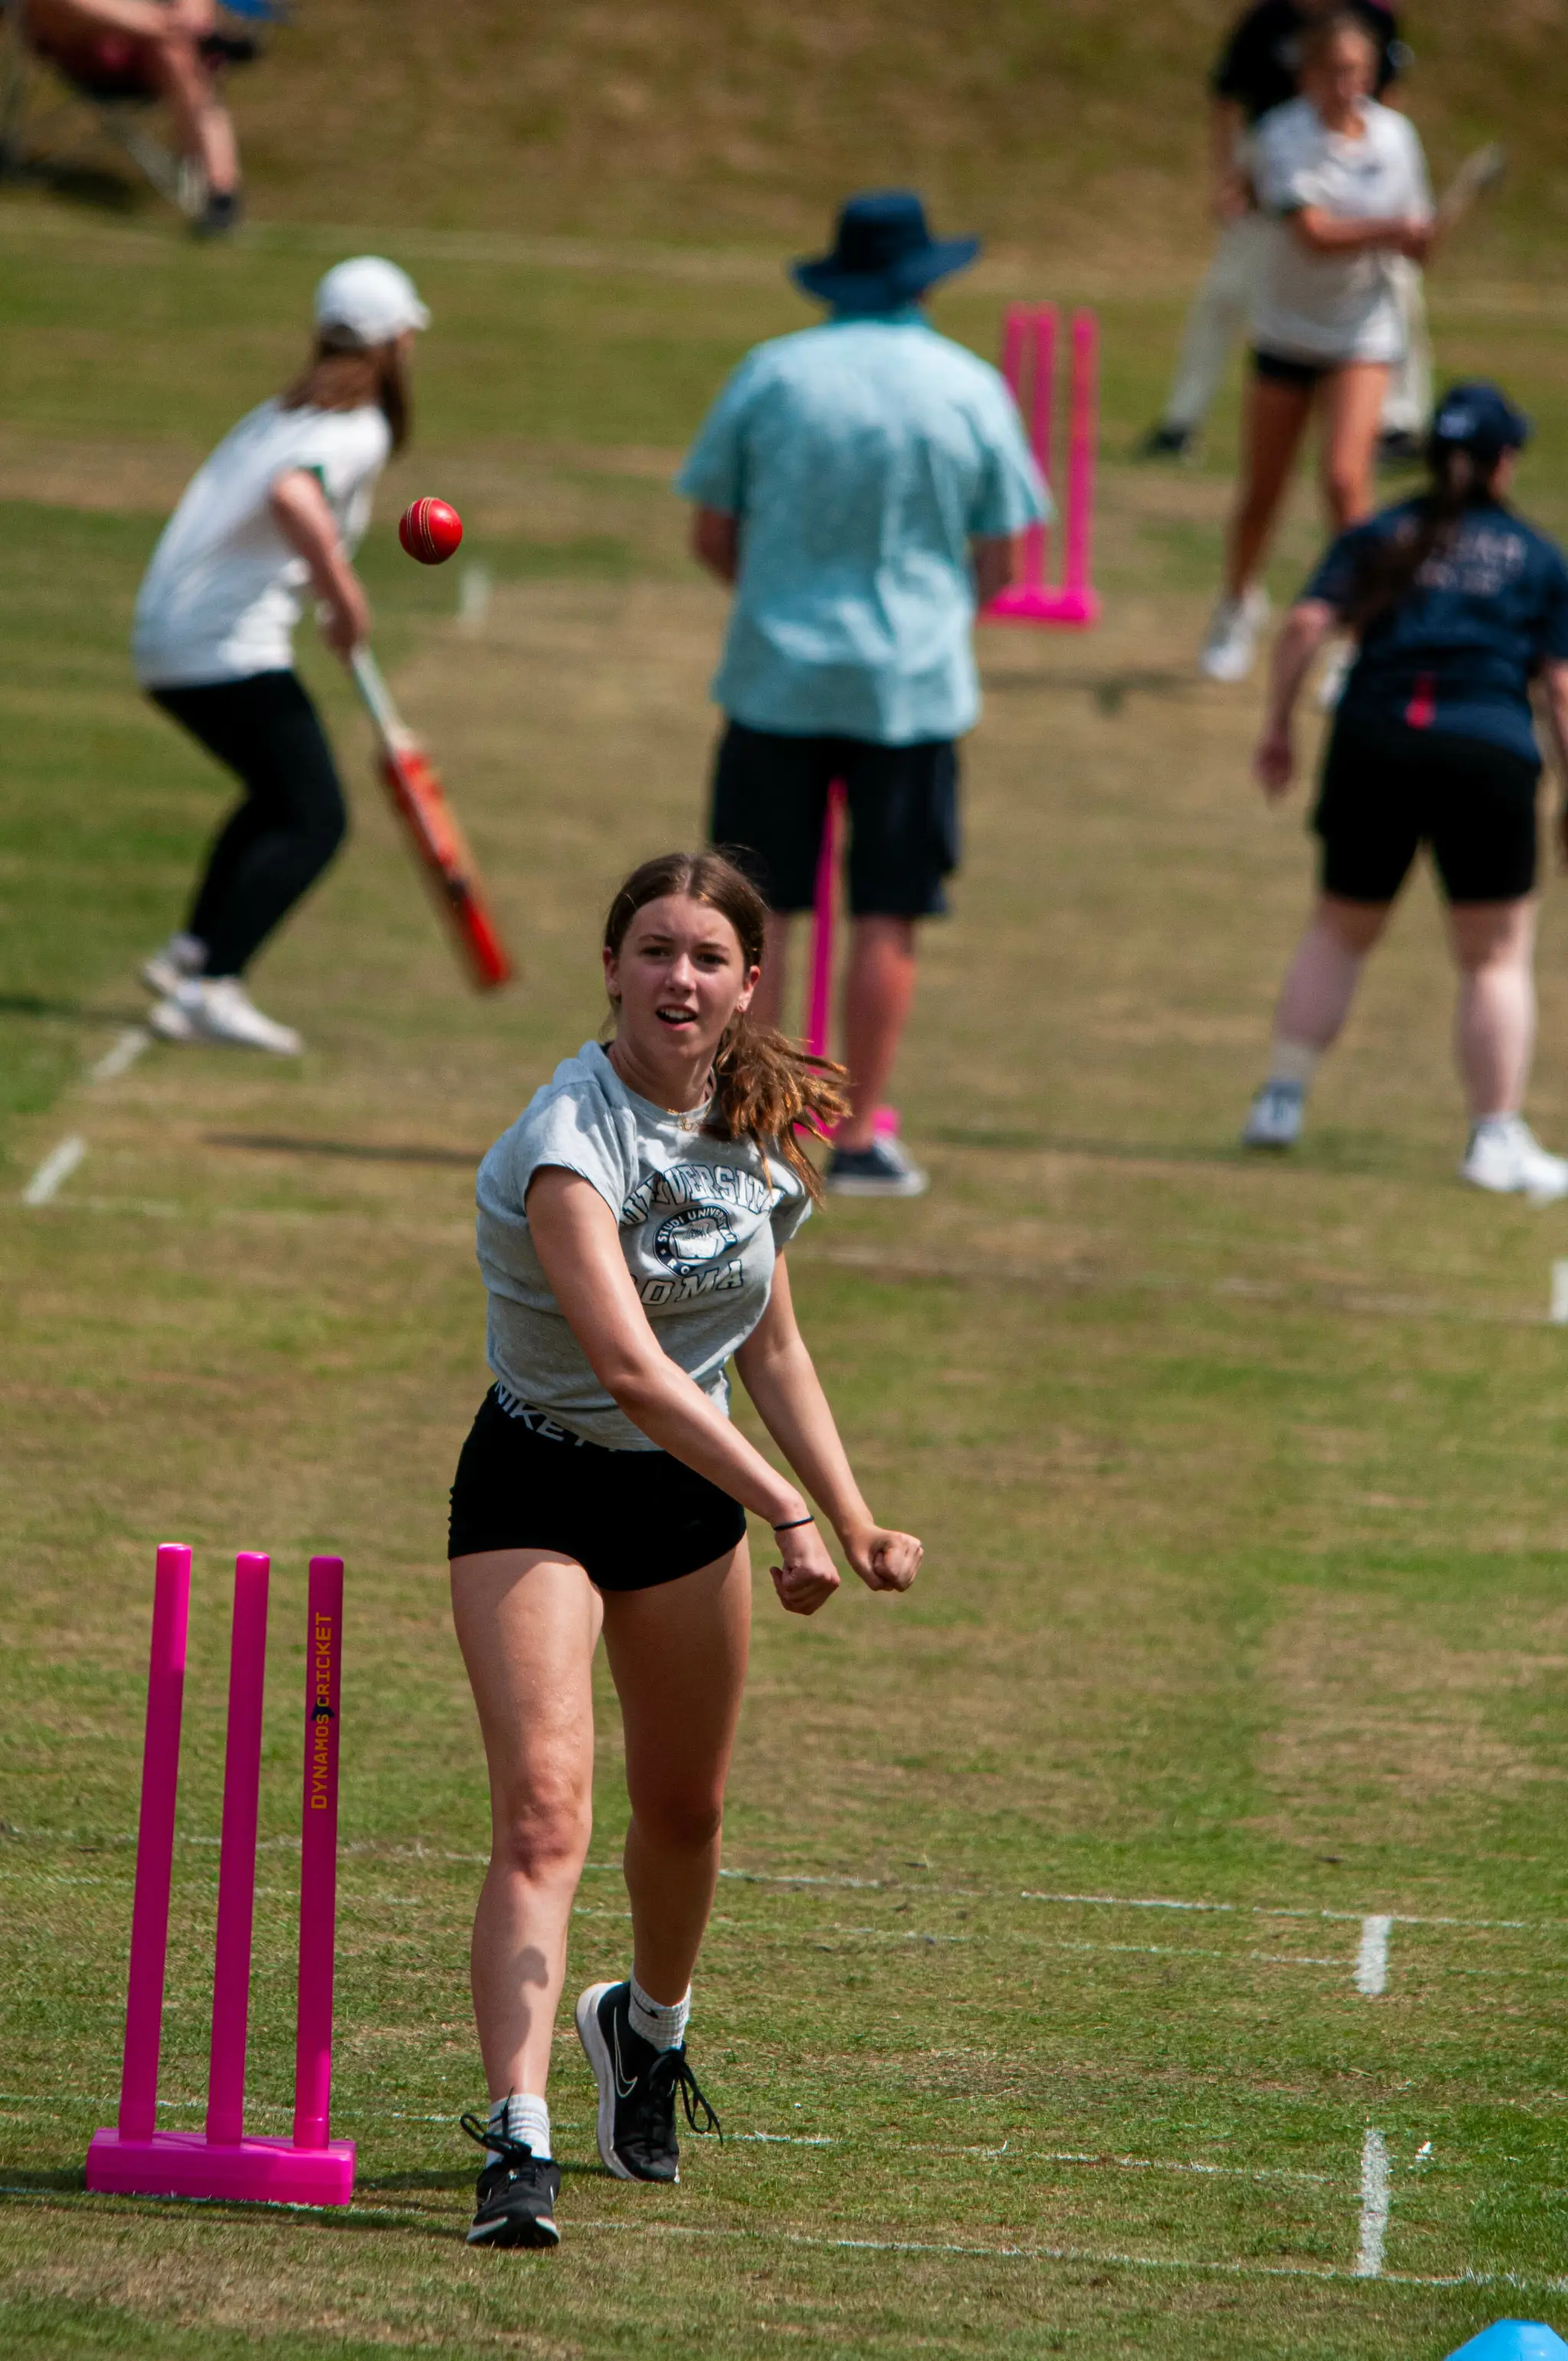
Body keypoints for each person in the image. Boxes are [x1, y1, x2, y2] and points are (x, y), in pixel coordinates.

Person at [447, 850, 923, 2250]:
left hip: (685, 1501)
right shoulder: (565, 1135)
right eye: (652, 948)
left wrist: (851, 1509)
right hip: (539, 1479)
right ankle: (517, 2134)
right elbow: (632, 1366)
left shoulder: (756, 1121)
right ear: (609, 966)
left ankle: (644, 2030)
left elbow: (768, 1340)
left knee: (686, 1813)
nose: (678, 976)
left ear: (745, 982)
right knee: (544, 1810)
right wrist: (782, 1512)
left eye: (706, 956)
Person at [677, 189, 1047, 1199]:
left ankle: (751, 1129)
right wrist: (930, 618)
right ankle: (860, 1138)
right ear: (926, 279)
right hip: (912, 686)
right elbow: (1006, 554)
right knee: (889, 913)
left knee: (758, 918)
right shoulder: (967, 387)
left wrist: (780, 603)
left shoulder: (773, 374)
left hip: (777, 673)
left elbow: (713, 533)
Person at [1241, 384, 1568, 1197]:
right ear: (1503, 462)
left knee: (1339, 929)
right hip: (1485, 748)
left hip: (1372, 739)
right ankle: (1492, 1136)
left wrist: (1278, 725)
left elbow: (1304, 626)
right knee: (1492, 956)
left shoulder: (1376, 533)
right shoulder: (1533, 555)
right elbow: (1558, 688)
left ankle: (1280, 1100)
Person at [131, 256, 429, 1053]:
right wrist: (341, 593)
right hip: (218, 645)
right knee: (316, 817)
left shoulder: (280, 413)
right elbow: (292, 496)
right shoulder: (355, 427)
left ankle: (189, 953)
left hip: (167, 638)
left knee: (274, 794)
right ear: (395, 341)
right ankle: (212, 986)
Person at [1199, 11, 1434, 684]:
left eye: (1358, 72)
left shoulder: (1397, 139)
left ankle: (1356, 637)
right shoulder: (1282, 136)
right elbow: (1313, 234)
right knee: (1261, 495)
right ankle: (1236, 604)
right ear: (1306, 75)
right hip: (1287, 328)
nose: (1346, 85)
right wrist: (1396, 227)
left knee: (1343, 483)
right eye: (1333, 72)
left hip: (1363, 332)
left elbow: (1417, 244)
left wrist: (1420, 241)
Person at [1139, 0, 1429, 467]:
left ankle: (1399, 422)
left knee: (1398, 292)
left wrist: (1385, 170)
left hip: (1359, 167)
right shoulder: (1266, 21)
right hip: (1277, 166)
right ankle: (1181, 420)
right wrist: (1230, 176)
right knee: (1225, 294)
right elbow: (1227, 96)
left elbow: (1388, 97)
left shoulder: (1375, 18)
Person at [24, 0, 248, 236]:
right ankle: (173, 28)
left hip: (150, 53)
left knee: (177, 52)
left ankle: (221, 190)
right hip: (78, 40)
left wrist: (193, 17)